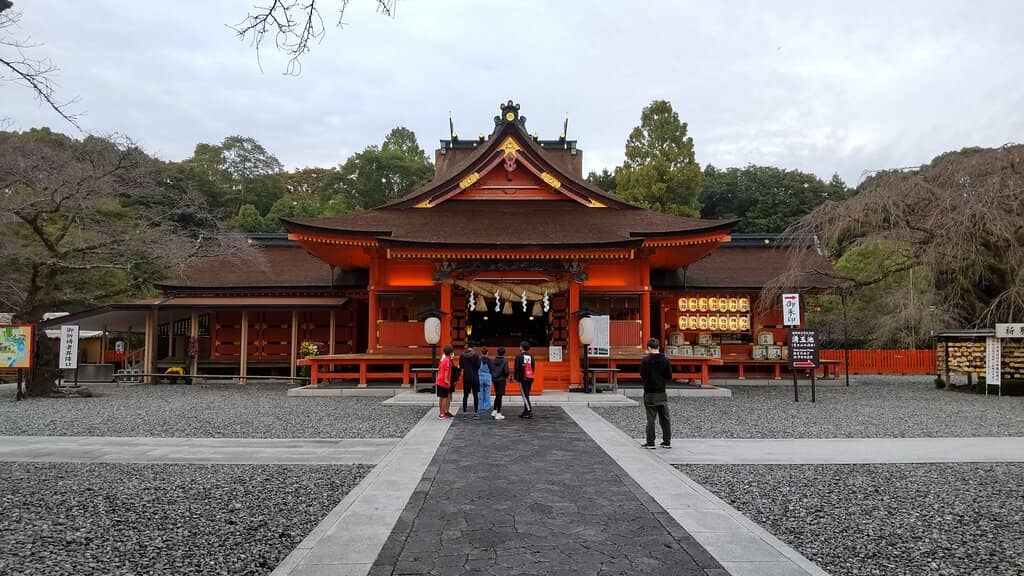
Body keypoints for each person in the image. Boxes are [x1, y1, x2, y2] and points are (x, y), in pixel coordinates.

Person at [640, 338, 672, 449]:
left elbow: (643, 376)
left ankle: (650, 442)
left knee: (651, 418)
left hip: (649, 392)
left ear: (648, 348)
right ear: (658, 347)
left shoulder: (646, 360)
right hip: (662, 391)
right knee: (665, 418)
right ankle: (667, 441)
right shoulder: (665, 360)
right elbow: (669, 376)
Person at [513, 341, 536, 418]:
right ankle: (526, 410)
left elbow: (517, 368)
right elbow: (533, 367)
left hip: (522, 378)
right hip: (529, 377)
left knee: (525, 395)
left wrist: (516, 377)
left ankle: (529, 411)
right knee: (527, 394)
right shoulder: (531, 356)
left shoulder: (519, 356)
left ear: (521, 347)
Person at [460, 344, 481, 419]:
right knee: (475, 395)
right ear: (473, 347)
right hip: (474, 377)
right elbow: (478, 366)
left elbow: (461, 366)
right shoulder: (475, 355)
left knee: (465, 395)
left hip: (466, 377)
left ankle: (464, 413)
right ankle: (475, 412)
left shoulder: (462, 355)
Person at [435, 345, 456, 419]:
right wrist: (447, 380)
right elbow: (446, 370)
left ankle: (441, 413)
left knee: (441, 398)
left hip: (439, 380)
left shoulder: (443, 359)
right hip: (444, 381)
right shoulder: (447, 360)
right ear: (450, 353)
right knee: (444, 398)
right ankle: (442, 414)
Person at [489, 346, 510, 420]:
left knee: (497, 395)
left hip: (495, 379)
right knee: (499, 396)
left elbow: (490, 369)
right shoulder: (505, 361)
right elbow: (506, 371)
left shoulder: (493, 360)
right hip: (501, 379)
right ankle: (498, 413)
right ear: (504, 353)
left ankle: (494, 410)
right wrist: (506, 375)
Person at [478, 347, 493, 414]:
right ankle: (487, 406)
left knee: (480, 393)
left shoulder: (478, 360)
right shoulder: (490, 361)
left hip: (480, 377)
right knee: (487, 393)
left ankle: (480, 406)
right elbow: (492, 370)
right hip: (487, 377)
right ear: (487, 353)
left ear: (481, 353)